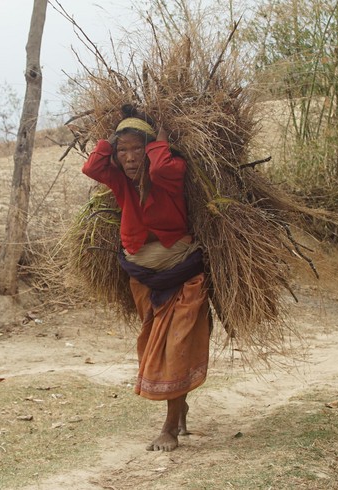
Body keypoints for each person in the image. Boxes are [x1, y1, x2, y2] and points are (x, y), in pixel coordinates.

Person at [82, 105, 211, 452]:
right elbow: (91, 166)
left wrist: (159, 135)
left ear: (150, 149)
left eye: (136, 149)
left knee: (176, 346)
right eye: (122, 150)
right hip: (143, 280)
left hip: (182, 276)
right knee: (155, 344)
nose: (129, 157)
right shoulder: (120, 180)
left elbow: (167, 163)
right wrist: (111, 134)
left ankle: (169, 427)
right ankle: (179, 406)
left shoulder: (169, 173)